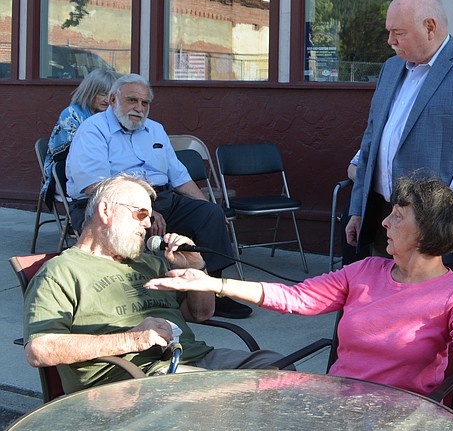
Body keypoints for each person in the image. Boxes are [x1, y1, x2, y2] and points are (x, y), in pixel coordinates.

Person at [148, 176, 453, 396]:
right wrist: (213, 282)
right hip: (337, 401)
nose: (384, 223)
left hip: (399, 414)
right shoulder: (366, 269)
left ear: (427, 232)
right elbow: (296, 297)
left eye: (397, 217)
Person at [23, 175, 285, 394]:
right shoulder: (62, 271)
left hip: (192, 360)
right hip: (129, 379)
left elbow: (201, 313)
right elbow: (39, 350)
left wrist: (195, 268)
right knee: (223, 396)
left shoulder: (151, 263)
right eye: (140, 214)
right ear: (106, 211)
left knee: (278, 370)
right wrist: (130, 340)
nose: (149, 224)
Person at [345, 0, 453, 268]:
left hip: (438, 225)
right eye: (389, 32)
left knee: (433, 311)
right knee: (383, 306)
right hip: (384, 217)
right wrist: (358, 209)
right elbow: (371, 142)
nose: (390, 41)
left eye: (398, 32)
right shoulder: (390, 69)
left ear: (430, 27)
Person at [65, 74, 249, 318]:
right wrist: (143, 210)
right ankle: (137, 299)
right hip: (107, 204)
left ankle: (210, 290)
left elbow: (180, 177)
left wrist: (206, 205)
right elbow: (94, 186)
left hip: (161, 199)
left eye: (145, 103)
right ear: (112, 99)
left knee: (210, 214)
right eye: (132, 100)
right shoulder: (93, 130)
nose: (139, 108)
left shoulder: (155, 130)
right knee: (130, 222)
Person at [41, 68, 119, 199]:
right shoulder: (72, 114)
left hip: (103, 172)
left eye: (111, 96)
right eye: (102, 94)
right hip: (67, 176)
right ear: (89, 92)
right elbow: (73, 156)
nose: (107, 100)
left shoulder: (112, 116)